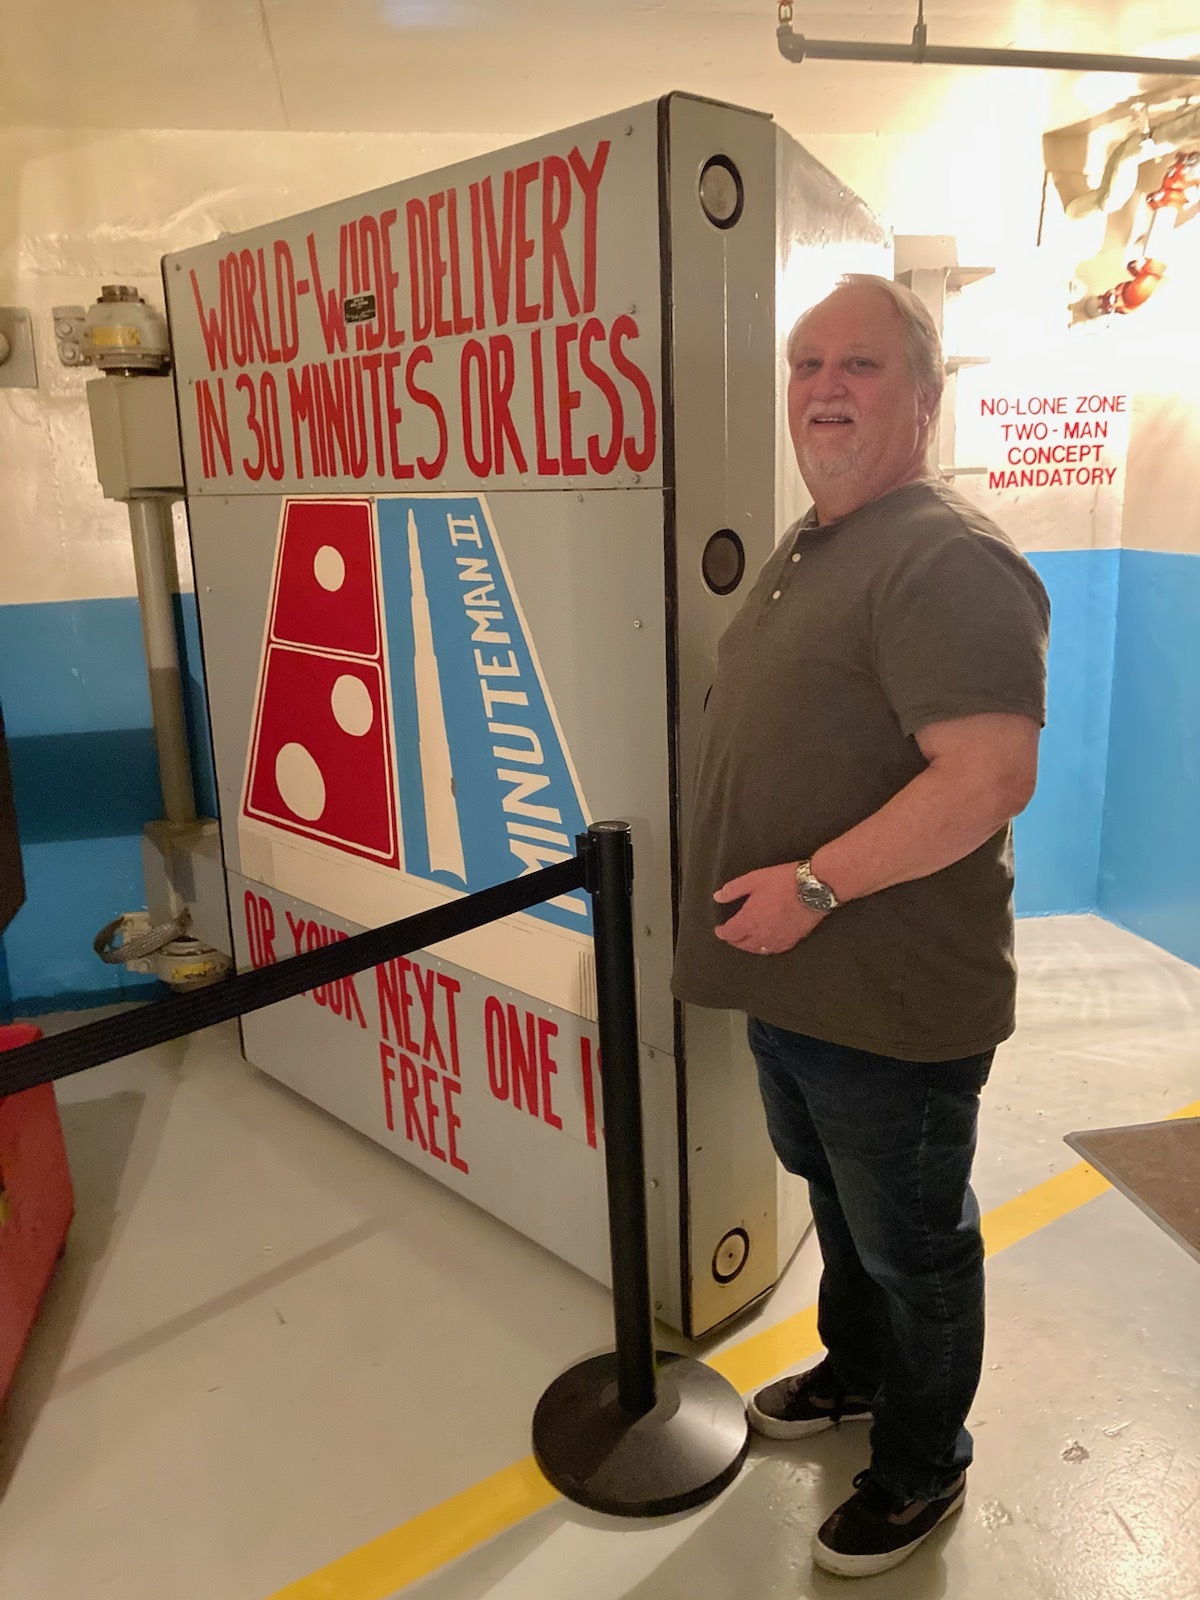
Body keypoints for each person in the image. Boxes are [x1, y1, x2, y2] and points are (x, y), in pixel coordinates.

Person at [671, 275, 1050, 1578]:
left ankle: (923, 1463)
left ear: (927, 398)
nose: (824, 387)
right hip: (802, 993)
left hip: (890, 1002)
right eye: (807, 361)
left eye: (863, 366)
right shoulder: (824, 536)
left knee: (913, 1240)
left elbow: (990, 775)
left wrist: (815, 886)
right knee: (841, 1210)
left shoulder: (944, 554)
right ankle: (858, 1373)